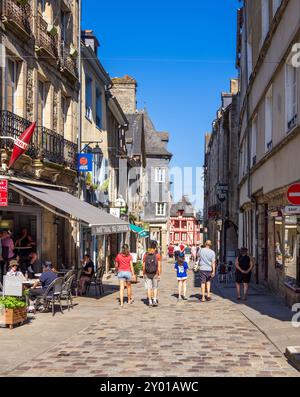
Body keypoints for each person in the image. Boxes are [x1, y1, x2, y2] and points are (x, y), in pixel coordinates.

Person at [143, 241, 161, 307]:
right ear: (155, 247)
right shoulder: (157, 255)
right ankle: (154, 300)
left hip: (147, 274)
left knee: (149, 288)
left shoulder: (145, 254)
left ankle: (150, 301)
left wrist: (144, 273)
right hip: (155, 273)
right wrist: (159, 274)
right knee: (155, 288)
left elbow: (143, 265)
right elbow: (159, 266)